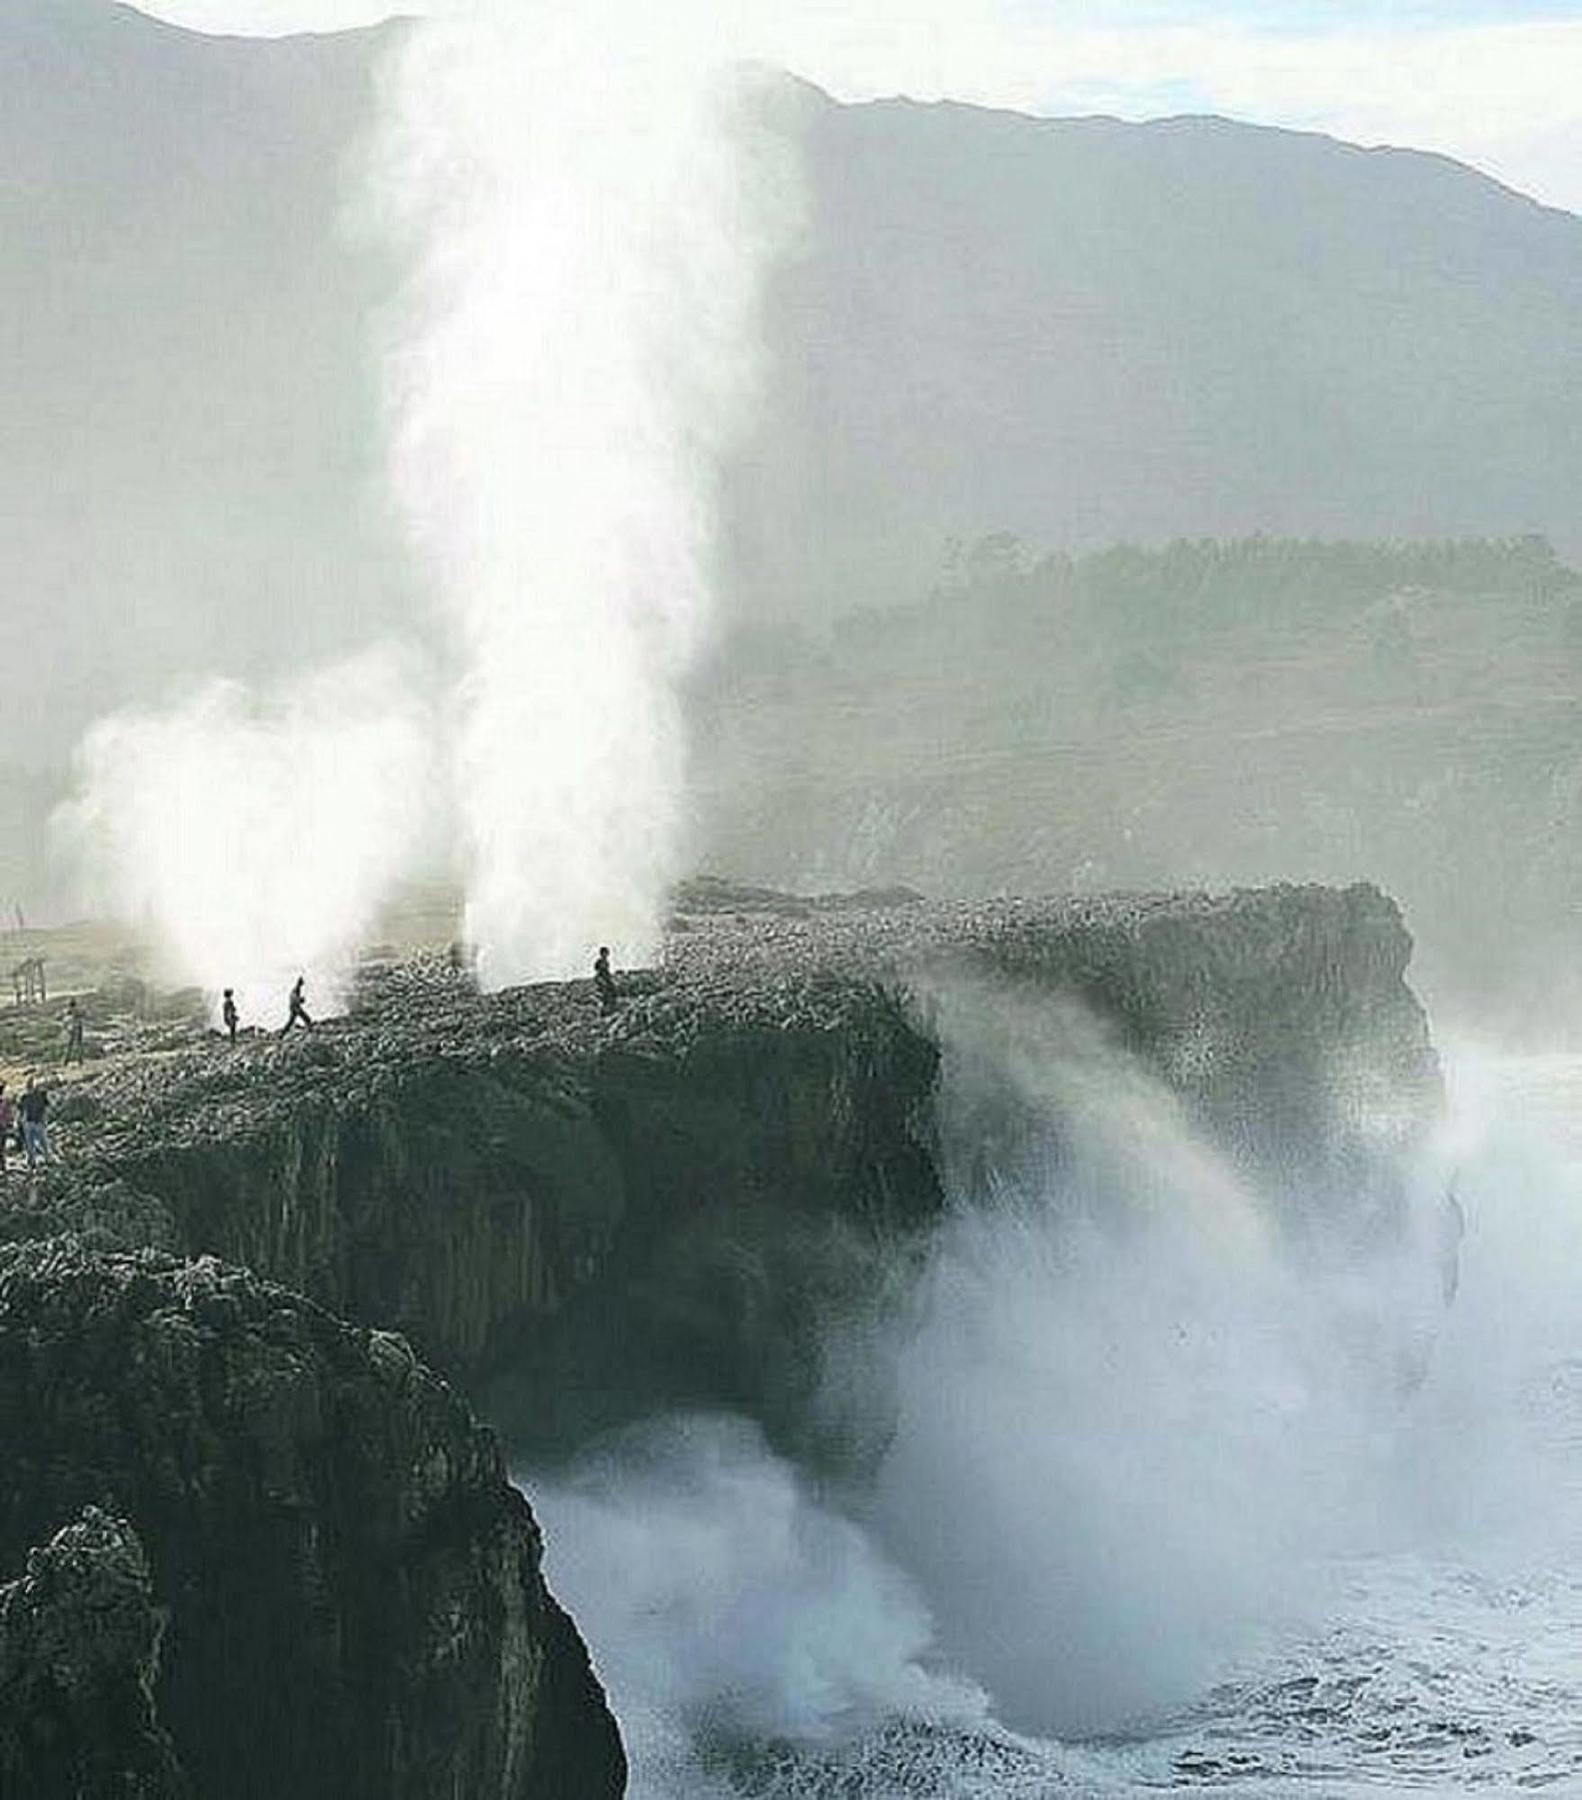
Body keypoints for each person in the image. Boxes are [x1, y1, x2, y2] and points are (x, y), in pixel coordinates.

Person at [19, 1077, 50, 1169]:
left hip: (35, 1122)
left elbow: (45, 1107)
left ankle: (42, 1159)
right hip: (32, 1122)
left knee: (40, 1142)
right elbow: (21, 1110)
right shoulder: (26, 1097)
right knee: (34, 1143)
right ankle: (34, 1160)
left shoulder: (38, 1096)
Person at [593, 946, 618, 1014]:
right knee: (605, 988)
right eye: (604, 953)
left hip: (605, 977)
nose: (605, 955)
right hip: (600, 977)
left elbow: (607, 971)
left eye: (606, 953)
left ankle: (612, 1005)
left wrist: (611, 978)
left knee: (613, 988)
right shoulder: (599, 961)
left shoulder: (607, 962)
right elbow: (597, 969)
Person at [62, 997, 84, 1066]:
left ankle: (66, 1060)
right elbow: (82, 1014)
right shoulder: (78, 1011)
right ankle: (79, 1060)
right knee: (78, 1045)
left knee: (69, 1046)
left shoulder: (67, 1012)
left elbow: (64, 1023)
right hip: (77, 1027)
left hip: (70, 1029)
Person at [0, 1081, 13, 1177]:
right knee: (2, 1148)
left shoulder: (5, 1103)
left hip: (2, 1127)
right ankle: (3, 1166)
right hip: (3, 1127)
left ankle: (3, 1166)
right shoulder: (6, 1102)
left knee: (2, 1147)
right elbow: (9, 1115)